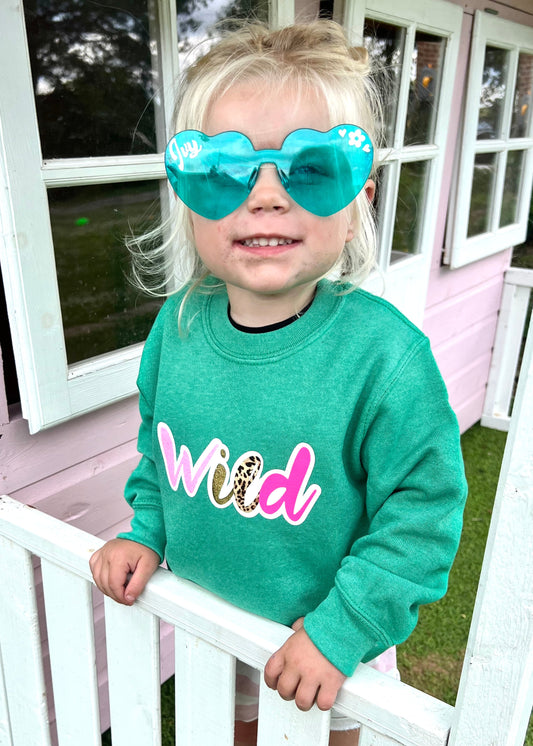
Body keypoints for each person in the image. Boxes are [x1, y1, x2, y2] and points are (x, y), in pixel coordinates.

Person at [89, 20, 467, 746]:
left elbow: (421, 514)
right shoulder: (177, 327)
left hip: (327, 643)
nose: (264, 196)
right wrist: (146, 533)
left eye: (312, 168)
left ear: (358, 200)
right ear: (188, 195)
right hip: (210, 628)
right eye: (224, 171)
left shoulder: (385, 358)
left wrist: (341, 629)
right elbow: (160, 454)